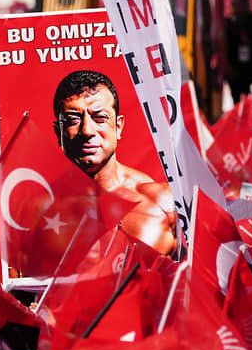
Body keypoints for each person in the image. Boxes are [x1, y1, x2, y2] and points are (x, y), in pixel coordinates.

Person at [52, 70, 176, 255]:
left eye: (100, 118)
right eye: (73, 120)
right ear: (58, 132)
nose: (87, 131)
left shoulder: (163, 203)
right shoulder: (36, 213)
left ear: (118, 127)